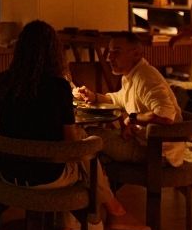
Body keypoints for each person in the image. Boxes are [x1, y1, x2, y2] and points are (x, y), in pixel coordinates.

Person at [0, 21, 141, 230]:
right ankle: (98, 219)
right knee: (81, 154)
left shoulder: (4, 80)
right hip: (47, 177)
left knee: (75, 155)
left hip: (8, 171)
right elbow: (71, 143)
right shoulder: (57, 87)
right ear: (54, 51)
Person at [77, 31, 185, 166]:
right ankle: (101, 183)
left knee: (86, 135)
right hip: (143, 142)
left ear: (136, 54)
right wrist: (94, 96)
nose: (109, 57)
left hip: (157, 152)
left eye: (116, 52)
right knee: (98, 150)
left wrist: (133, 118)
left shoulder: (145, 77)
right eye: (109, 52)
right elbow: (119, 99)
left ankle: (83, 181)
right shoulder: (132, 75)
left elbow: (166, 115)